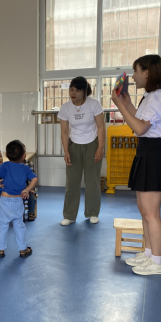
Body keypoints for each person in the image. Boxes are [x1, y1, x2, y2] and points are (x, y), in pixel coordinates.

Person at [111, 55, 161, 276]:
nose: (133, 76)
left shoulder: (159, 97)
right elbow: (139, 121)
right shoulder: (150, 96)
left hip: (154, 153)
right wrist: (126, 104)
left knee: (151, 213)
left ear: (147, 72)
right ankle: (149, 253)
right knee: (144, 211)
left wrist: (118, 106)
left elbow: (140, 128)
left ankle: (158, 262)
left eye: (136, 71)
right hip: (146, 152)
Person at [58, 76, 106, 225]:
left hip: (92, 144)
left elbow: (101, 127)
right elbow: (64, 132)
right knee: (72, 181)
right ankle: (69, 215)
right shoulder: (65, 107)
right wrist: (66, 151)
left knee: (92, 181)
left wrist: (100, 148)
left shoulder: (94, 104)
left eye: (77, 90)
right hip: (74, 145)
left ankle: (92, 213)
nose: (73, 93)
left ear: (85, 91)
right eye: (71, 89)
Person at [0, 141, 38, 258]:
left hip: (5, 201)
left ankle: (0, 249)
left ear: (6, 154)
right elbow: (34, 179)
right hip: (18, 201)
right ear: (24, 155)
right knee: (19, 225)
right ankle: (23, 249)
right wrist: (27, 189)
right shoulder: (25, 168)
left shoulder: (5, 165)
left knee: (2, 225)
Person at [22, 145, 37, 222]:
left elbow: (32, 179)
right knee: (19, 199)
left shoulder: (29, 163)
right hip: (19, 189)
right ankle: (21, 214)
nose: (24, 154)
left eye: (24, 152)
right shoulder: (13, 165)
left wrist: (29, 189)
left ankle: (31, 212)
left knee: (31, 197)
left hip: (29, 188)